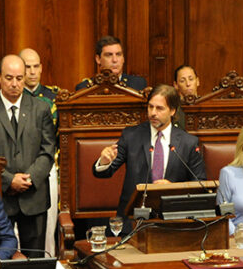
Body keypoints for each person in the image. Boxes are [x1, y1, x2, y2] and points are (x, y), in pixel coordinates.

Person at [93, 84, 205, 232]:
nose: (153, 113)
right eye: (150, 107)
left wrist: (172, 188)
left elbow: (200, 184)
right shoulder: (131, 136)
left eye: (159, 108)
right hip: (133, 221)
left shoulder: (188, 142)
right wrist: (104, 162)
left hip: (173, 222)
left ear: (172, 111)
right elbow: (103, 172)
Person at [0, 55, 55, 253]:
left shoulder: (41, 108)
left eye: (19, 78)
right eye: (9, 78)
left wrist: (29, 178)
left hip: (34, 196)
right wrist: (9, 180)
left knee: (35, 262)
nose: (15, 84)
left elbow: (48, 150)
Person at [20, 48, 60, 256]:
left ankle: (47, 261)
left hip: (47, 166)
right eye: (27, 67)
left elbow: (60, 138)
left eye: (36, 66)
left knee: (48, 222)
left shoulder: (55, 97)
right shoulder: (8, 98)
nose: (32, 72)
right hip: (17, 168)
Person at [75, 36, 147, 91]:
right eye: (109, 55)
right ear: (98, 59)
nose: (115, 60)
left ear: (123, 58)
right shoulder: (85, 87)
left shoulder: (138, 84)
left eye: (118, 54)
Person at [170, 64, 197, 129]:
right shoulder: (173, 108)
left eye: (191, 79)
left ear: (198, 81)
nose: (188, 84)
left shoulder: (205, 105)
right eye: (182, 81)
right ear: (175, 85)